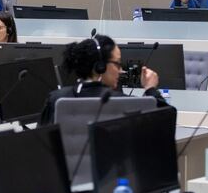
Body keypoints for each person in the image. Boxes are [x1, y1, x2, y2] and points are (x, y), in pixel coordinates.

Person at [39, 35, 168, 125]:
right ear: (100, 67)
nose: (120, 70)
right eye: (117, 63)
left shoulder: (56, 99)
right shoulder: (124, 103)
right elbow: (163, 123)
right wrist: (151, 89)